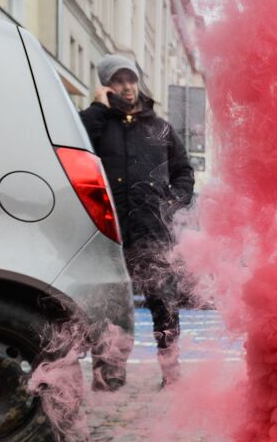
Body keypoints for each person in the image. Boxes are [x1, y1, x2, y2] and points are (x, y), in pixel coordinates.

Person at [81, 55, 195, 389]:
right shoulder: (98, 124)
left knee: (164, 304)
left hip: (153, 231)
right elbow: (78, 145)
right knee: (110, 305)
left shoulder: (160, 128)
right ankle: (109, 375)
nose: (127, 87)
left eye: (130, 79)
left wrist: (171, 204)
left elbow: (183, 172)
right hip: (110, 231)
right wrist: (98, 107)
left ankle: (171, 372)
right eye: (118, 81)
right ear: (107, 87)